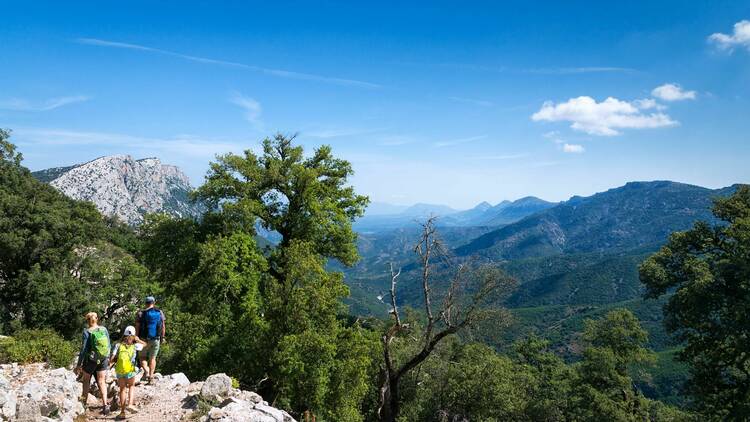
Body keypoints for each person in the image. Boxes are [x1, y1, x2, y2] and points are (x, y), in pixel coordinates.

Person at [74, 312, 111, 415]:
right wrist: (107, 357)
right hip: (103, 359)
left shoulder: (87, 331)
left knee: (86, 381)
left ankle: (83, 404)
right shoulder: (104, 329)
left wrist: (78, 365)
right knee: (101, 381)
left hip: (90, 360)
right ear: (97, 319)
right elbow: (109, 345)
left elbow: (83, 350)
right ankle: (105, 404)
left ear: (87, 321)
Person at [110, 326, 146, 420]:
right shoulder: (135, 346)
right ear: (133, 335)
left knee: (122, 389)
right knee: (131, 386)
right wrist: (138, 339)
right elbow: (145, 345)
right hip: (130, 370)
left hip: (119, 370)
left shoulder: (118, 345)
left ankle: (122, 412)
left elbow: (112, 359)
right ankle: (130, 404)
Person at [135, 296, 165, 384]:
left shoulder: (140, 313)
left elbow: (137, 326)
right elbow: (163, 326)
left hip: (143, 339)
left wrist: (136, 337)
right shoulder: (160, 312)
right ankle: (151, 376)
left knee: (142, 357)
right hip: (156, 338)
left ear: (145, 303)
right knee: (153, 358)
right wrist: (162, 337)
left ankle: (147, 372)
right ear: (154, 303)